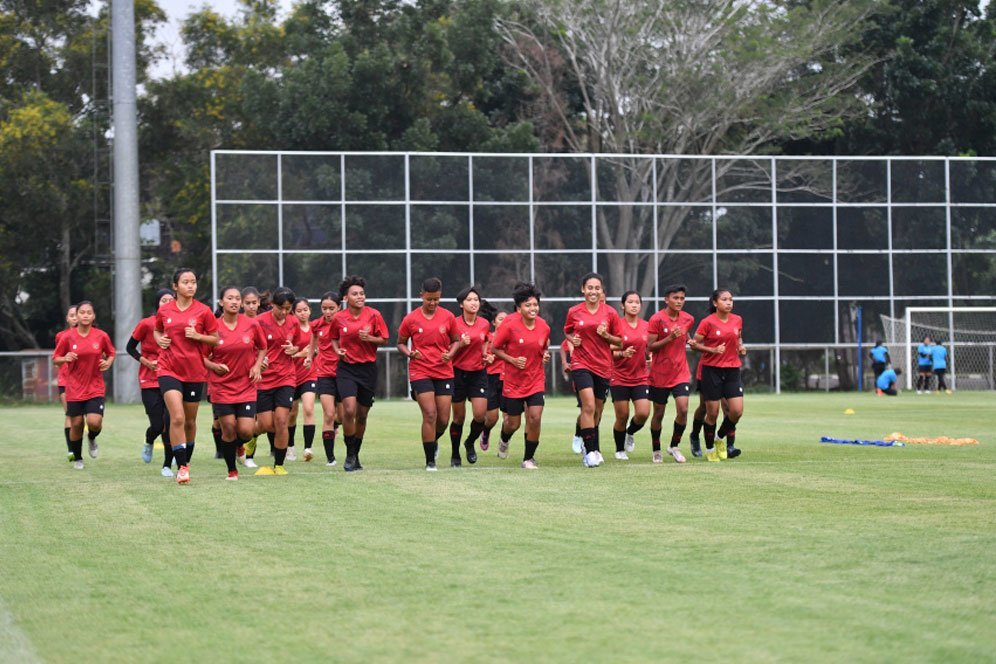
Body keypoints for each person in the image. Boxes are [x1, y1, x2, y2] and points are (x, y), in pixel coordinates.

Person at [155, 268, 219, 484]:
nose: (190, 286)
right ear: (175, 286)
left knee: (190, 422)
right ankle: (181, 466)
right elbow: (157, 330)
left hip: (194, 371)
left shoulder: (203, 311)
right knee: (178, 417)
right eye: (185, 282)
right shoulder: (165, 310)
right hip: (168, 369)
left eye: (193, 282)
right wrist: (159, 339)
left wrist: (198, 335)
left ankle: (185, 462)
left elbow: (215, 339)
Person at [204, 287, 267, 479]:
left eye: (237, 298)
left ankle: (240, 445)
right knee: (229, 428)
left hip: (246, 385)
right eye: (229, 298)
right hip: (221, 387)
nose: (234, 301)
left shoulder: (251, 324)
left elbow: (263, 347)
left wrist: (257, 366)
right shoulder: (212, 327)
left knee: (247, 431)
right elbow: (202, 356)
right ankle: (232, 470)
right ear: (221, 302)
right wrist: (214, 366)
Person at [397, 277, 457, 471]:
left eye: (436, 299)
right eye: (429, 299)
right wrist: (409, 353)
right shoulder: (411, 319)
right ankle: (430, 461)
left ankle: (433, 440)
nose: (432, 303)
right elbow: (400, 342)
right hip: (420, 370)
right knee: (430, 414)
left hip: (443, 371)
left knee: (443, 419)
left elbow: (455, 340)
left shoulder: (448, 316)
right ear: (421, 295)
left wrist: (451, 353)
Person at [564, 273, 622, 468]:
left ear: (602, 291)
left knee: (597, 411)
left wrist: (606, 335)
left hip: (603, 366)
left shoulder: (611, 313)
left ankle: (593, 445)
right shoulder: (574, 311)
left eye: (597, 288)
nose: (593, 291)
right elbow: (567, 330)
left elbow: (620, 340)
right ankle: (589, 452)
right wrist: (573, 339)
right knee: (587, 406)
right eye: (590, 287)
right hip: (581, 364)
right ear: (583, 289)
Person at [331, 275, 389, 471]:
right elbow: (333, 338)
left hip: (368, 370)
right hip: (346, 369)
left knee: (362, 415)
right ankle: (349, 454)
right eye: (355, 294)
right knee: (349, 410)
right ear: (346, 298)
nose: (360, 296)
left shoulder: (374, 315)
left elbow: (384, 339)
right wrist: (338, 350)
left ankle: (356, 454)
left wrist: (370, 338)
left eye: (362, 293)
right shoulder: (339, 318)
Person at [490, 282, 551, 469]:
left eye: (535, 305)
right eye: (528, 305)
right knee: (513, 423)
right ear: (519, 308)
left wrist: (545, 355)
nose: (533, 309)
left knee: (535, 417)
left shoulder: (544, 327)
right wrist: (512, 360)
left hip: (535, 380)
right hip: (514, 382)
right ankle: (504, 438)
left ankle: (528, 458)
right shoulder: (509, 326)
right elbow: (494, 348)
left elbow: (543, 347)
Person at [253, 286, 310, 476]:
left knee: (281, 421)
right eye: (281, 308)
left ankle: (278, 465)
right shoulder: (260, 321)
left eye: (288, 308)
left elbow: (301, 346)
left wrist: (295, 350)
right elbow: (249, 346)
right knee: (266, 424)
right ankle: (251, 436)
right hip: (263, 380)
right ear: (271, 305)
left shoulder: (293, 323)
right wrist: (258, 362)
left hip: (286, 377)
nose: (284, 312)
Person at [53, 301, 115, 470]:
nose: (86, 315)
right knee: (77, 423)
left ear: (93, 316)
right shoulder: (67, 337)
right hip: (73, 388)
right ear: (77, 316)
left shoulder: (101, 336)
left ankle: (92, 438)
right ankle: (78, 457)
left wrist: (108, 362)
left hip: (95, 387)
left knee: (95, 422)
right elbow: (56, 358)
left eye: (89, 312)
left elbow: (111, 353)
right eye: (82, 312)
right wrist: (65, 358)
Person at [691, 289, 746, 462]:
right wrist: (712, 350)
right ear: (715, 303)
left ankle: (720, 438)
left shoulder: (737, 319)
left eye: (730, 299)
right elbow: (694, 344)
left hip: (732, 369)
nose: (729, 302)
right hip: (711, 370)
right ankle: (709, 449)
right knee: (712, 413)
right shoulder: (707, 322)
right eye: (724, 299)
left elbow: (738, 338)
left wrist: (741, 347)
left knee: (736, 411)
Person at [127, 288, 177, 476]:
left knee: (169, 421)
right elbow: (129, 347)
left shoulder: (177, 324)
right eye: (164, 300)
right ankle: (149, 441)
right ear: (157, 304)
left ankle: (167, 463)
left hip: (171, 377)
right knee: (157, 425)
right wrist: (145, 361)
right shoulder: (146, 324)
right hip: (149, 380)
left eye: (171, 300)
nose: (167, 303)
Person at [446, 286, 495, 467]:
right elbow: (447, 351)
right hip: (457, 373)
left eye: (476, 299)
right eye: (469, 300)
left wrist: (487, 356)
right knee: (458, 418)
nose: (474, 303)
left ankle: (470, 442)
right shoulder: (453, 323)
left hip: (478, 373)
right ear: (461, 304)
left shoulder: (484, 323)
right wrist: (460, 345)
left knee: (481, 416)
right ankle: (455, 453)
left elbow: (485, 345)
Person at [647, 284, 694, 464]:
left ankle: (674, 446)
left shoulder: (688, 318)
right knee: (658, 413)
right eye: (675, 298)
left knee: (683, 409)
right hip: (660, 374)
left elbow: (685, 334)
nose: (679, 301)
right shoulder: (656, 319)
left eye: (682, 298)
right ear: (666, 299)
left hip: (680, 372)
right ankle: (656, 449)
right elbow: (650, 346)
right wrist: (669, 338)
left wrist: (690, 341)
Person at [609, 291, 651, 461]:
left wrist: (651, 359)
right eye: (630, 302)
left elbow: (651, 348)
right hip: (619, 376)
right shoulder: (617, 326)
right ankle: (619, 450)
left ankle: (630, 432)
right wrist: (622, 354)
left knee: (643, 413)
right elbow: (607, 352)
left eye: (637, 302)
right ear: (622, 305)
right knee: (622, 415)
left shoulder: (647, 326)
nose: (634, 305)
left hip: (641, 377)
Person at [311, 291, 342, 465]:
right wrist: (309, 356)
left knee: (344, 416)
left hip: (344, 375)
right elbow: (312, 341)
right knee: (328, 414)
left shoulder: (345, 323)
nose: (328, 312)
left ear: (339, 307)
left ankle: (337, 424)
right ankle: (330, 458)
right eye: (324, 308)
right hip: (324, 375)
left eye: (331, 308)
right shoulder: (317, 325)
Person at [287, 297, 318, 462]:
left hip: (309, 374)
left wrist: (313, 354)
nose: (303, 313)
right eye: (299, 311)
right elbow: (286, 354)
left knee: (309, 409)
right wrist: (301, 354)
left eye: (305, 309)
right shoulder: (291, 329)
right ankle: (290, 447)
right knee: (291, 414)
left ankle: (308, 448)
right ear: (293, 312)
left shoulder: (314, 328)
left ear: (310, 310)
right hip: (291, 376)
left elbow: (317, 349)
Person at [238, 286, 264, 467]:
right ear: (241, 304)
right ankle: (247, 456)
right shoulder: (236, 322)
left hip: (264, 376)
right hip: (240, 377)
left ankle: (247, 453)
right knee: (237, 423)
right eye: (248, 303)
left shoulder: (263, 322)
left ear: (259, 303)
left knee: (262, 423)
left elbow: (267, 346)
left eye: (254, 303)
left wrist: (263, 361)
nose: (251, 306)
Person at [480, 310, 508, 452]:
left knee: (508, 417)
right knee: (492, 417)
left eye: (506, 319)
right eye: (501, 319)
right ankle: (485, 431)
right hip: (491, 378)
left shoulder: (511, 338)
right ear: (494, 322)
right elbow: (481, 357)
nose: (504, 322)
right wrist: (488, 358)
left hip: (508, 379)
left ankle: (504, 441)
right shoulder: (488, 338)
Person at [55, 305, 78, 461]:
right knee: (70, 414)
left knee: (80, 418)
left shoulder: (93, 335)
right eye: (72, 315)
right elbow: (56, 360)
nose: (75, 318)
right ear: (67, 318)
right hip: (65, 380)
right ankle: (71, 450)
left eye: (77, 314)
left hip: (83, 383)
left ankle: (86, 440)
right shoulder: (61, 336)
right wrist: (65, 358)